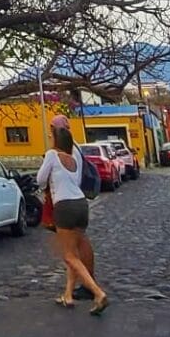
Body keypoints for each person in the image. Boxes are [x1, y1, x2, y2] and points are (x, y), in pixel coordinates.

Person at [39, 126, 107, 315]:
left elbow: (40, 179)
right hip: (81, 204)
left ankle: (97, 293)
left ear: (56, 141)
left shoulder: (52, 155)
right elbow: (76, 182)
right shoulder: (75, 158)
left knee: (69, 255)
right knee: (74, 251)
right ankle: (68, 295)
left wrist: (49, 183)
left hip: (64, 206)